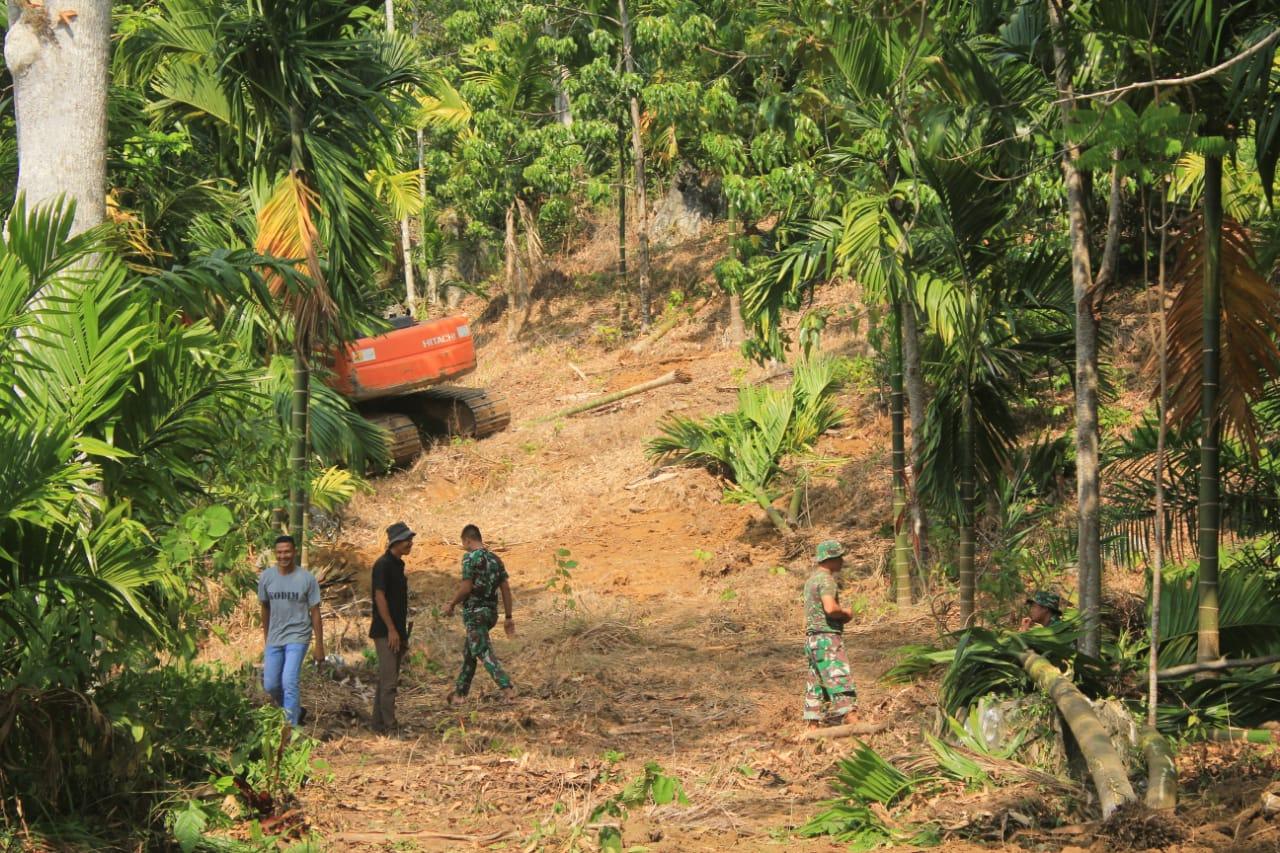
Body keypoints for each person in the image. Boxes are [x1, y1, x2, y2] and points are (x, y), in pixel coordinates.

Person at [258, 535, 324, 726]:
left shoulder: (306, 578)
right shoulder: (267, 577)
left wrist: (319, 645)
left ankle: (290, 729)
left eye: (287, 551)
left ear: (294, 552)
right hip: (275, 637)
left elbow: (315, 612)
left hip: (298, 635)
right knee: (271, 685)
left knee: (289, 681)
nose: (283, 556)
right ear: (274, 554)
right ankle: (295, 710)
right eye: (279, 552)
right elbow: (265, 607)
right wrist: (267, 636)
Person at [444, 524, 515, 705]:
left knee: (482, 651)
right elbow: (506, 589)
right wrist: (508, 617)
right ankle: (460, 694)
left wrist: (451, 604)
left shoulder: (469, 558)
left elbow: (466, 588)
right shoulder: (496, 559)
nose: (464, 547)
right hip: (490, 614)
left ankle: (507, 688)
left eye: (464, 543)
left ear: (468, 539)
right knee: (470, 652)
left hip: (475, 614)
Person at [802, 540, 858, 728]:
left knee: (816, 682)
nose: (842, 560)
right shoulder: (827, 580)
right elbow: (830, 608)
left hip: (812, 639)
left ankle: (812, 724)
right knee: (838, 675)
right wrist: (846, 613)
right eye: (839, 557)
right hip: (827, 638)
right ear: (830, 559)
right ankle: (852, 718)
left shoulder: (811, 581)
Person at [370, 521, 414, 733]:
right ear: (396, 542)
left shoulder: (398, 565)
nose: (410, 543)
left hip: (396, 630)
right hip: (385, 631)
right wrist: (391, 629)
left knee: (387, 679)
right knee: (389, 683)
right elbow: (380, 596)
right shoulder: (383, 565)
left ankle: (378, 724)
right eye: (407, 540)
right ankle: (390, 727)